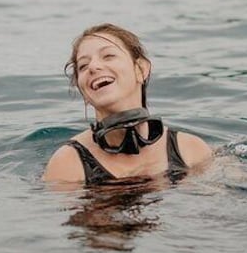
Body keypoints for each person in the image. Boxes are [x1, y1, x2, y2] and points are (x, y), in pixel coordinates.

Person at [43, 23, 213, 185]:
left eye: (108, 56)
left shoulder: (190, 150)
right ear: (84, 94)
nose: (93, 67)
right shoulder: (68, 164)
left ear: (141, 70)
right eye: (83, 66)